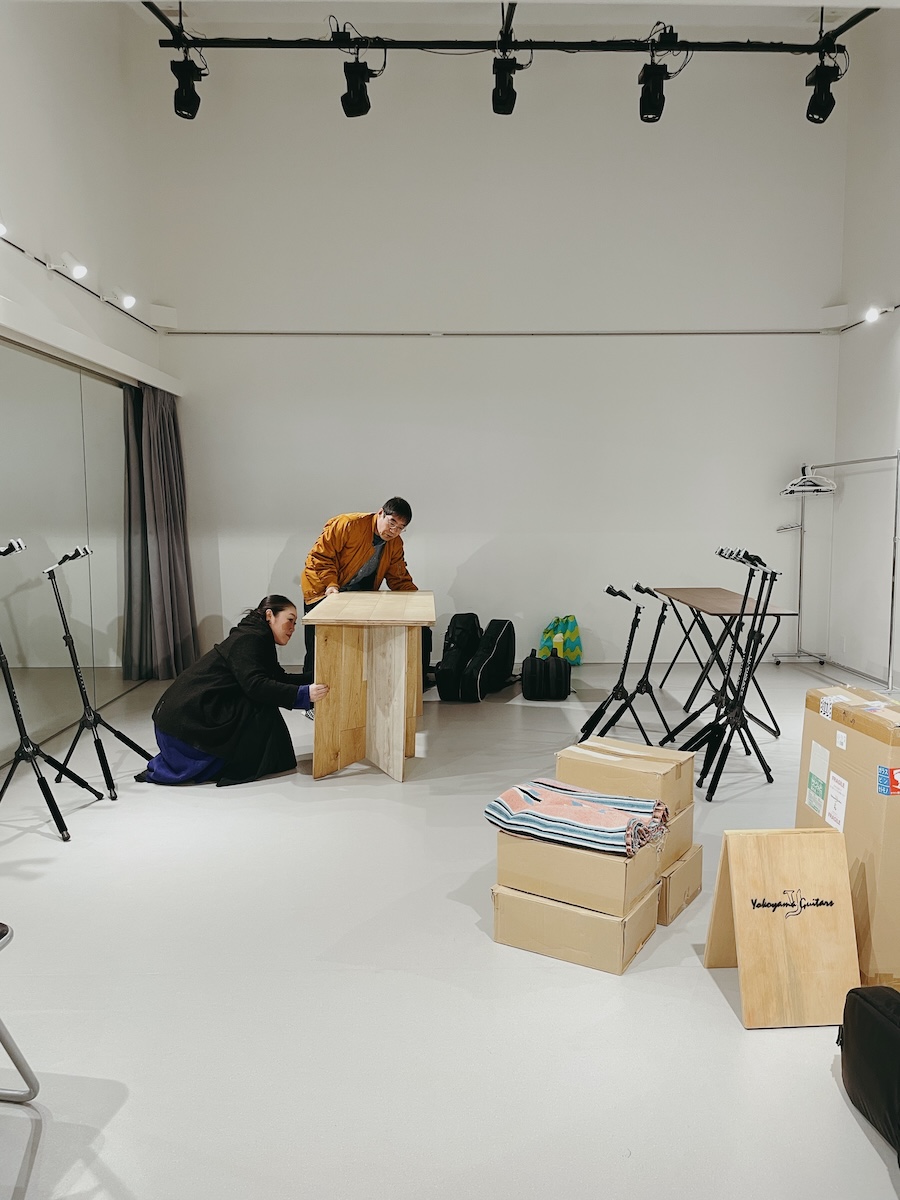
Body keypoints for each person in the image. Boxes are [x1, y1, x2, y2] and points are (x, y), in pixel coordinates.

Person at [138, 595, 329, 787]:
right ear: (270, 615)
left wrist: (317, 677)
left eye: (295, 623)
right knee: (257, 705)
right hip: (182, 729)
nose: (293, 628)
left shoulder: (257, 637)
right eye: (289, 620)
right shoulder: (249, 638)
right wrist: (304, 694)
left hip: (179, 722)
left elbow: (278, 679)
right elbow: (256, 686)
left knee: (260, 700)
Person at [300, 497, 417, 676]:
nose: (394, 531)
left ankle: (347, 684)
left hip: (355, 594)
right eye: (392, 522)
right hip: (322, 588)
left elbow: (398, 577)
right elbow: (320, 557)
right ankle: (310, 685)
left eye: (401, 528)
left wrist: (415, 599)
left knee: (353, 646)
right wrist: (331, 584)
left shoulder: (395, 543)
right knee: (320, 645)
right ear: (380, 513)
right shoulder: (348, 524)